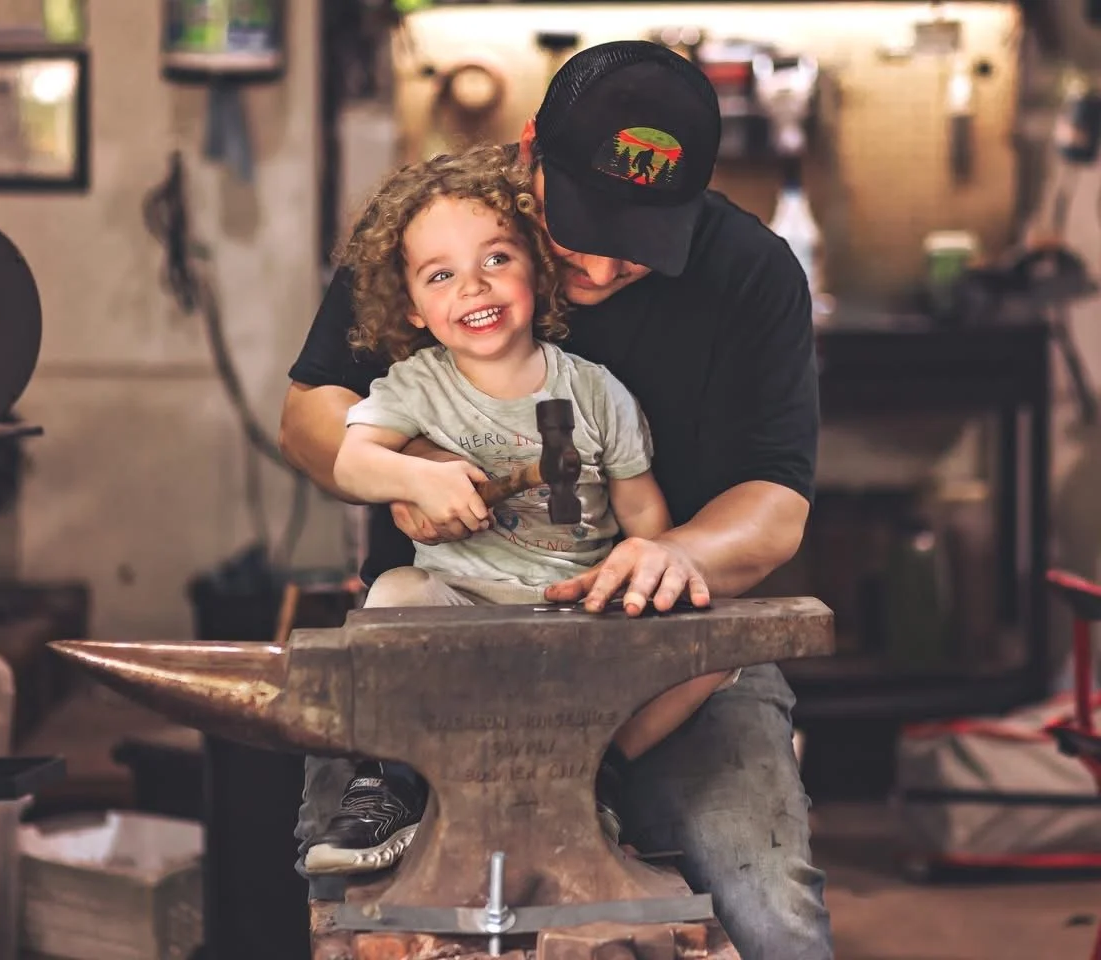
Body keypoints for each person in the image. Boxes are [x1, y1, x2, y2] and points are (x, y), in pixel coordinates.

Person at [280, 39, 832, 960]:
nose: (608, 268)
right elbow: (309, 412)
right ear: (531, 154)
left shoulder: (751, 273)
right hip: (442, 641)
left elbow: (778, 500)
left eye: (641, 244)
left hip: (667, 655)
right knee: (366, 917)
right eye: (586, 230)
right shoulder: (447, 232)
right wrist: (409, 461)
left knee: (766, 895)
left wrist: (677, 554)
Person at [301, 143, 737, 875]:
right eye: (441, 275)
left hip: (575, 610)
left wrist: (652, 575)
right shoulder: (414, 387)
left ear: (538, 264)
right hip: (461, 606)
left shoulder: (598, 393)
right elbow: (350, 458)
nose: (474, 287)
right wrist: (412, 477)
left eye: (497, 259)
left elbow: (643, 512)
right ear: (412, 305)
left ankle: (593, 778)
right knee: (395, 593)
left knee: (713, 654)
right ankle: (390, 782)